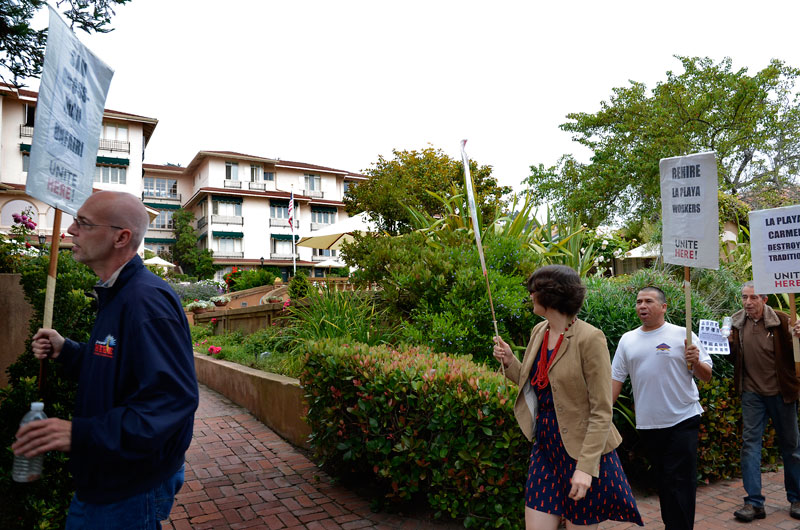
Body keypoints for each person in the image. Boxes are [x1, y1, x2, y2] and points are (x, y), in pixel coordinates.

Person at [12, 191, 198, 529]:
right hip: (107, 477)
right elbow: (116, 365)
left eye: (83, 223)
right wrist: (67, 350)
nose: (70, 230)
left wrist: (82, 434)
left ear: (121, 237)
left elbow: (170, 401)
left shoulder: (145, 301)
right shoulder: (117, 292)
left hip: (130, 485)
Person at [493, 265, 642, 530]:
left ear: (551, 295)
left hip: (582, 451)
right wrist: (510, 362)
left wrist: (585, 468)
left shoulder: (590, 338)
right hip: (545, 447)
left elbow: (602, 410)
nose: (530, 295)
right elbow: (536, 383)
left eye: (534, 290)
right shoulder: (539, 331)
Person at [611, 286, 712, 530]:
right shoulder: (628, 340)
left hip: (683, 418)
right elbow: (615, 379)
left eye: (648, 301)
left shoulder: (683, 335)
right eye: (639, 302)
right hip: (648, 424)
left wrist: (695, 361)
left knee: (680, 481)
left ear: (663, 307)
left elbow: (706, 375)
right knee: (664, 481)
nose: (642, 306)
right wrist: (602, 414)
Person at [728, 281, 800, 522]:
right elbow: (731, 358)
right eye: (744, 297)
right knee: (750, 446)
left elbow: (796, 353)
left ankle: (797, 498)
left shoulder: (782, 320)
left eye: (753, 297)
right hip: (752, 394)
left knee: (791, 447)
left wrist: (799, 336)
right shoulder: (736, 323)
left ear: (765, 299)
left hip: (782, 393)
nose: (748, 302)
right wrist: (725, 343)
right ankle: (754, 503)